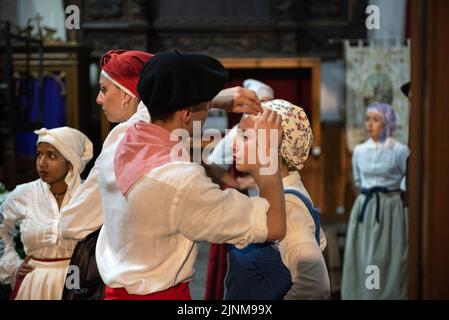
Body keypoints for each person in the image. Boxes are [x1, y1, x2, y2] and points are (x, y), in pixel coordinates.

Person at [60, 49, 263, 299]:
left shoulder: (122, 141)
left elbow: (72, 222)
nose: (99, 100)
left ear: (128, 94)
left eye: (104, 89)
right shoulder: (139, 145)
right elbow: (73, 222)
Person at [224, 99, 330, 300]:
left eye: (245, 136)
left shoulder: (288, 207)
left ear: (277, 147)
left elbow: (315, 287)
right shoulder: (278, 194)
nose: (233, 143)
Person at [0, 127, 93, 300]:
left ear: (70, 161)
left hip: (80, 284)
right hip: (35, 285)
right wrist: (12, 265)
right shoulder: (25, 193)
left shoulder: (90, 195)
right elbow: (1, 227)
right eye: (39, 154)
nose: (41, 162)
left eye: (51, 155)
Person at [341, 102, 409, 300]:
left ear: (387, 122)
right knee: (366, 256)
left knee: (388, 257)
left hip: (391, 208)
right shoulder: (360, 151)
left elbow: (407, 179)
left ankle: (388, 294)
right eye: (367, 119)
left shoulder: (399, 150)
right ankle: (365, 294)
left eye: (376, 119)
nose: (370, 124)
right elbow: (357, 180)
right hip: (367, 207)